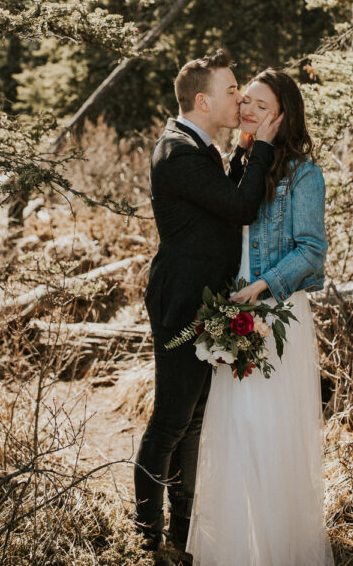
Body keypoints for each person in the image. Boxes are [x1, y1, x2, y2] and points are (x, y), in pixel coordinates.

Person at [134, 50, 281, 563]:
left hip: (201, 300)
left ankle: (181, 535)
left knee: (192, 420)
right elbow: (240, 207)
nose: (239, 97)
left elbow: (220, 202)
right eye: (231, 89)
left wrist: (241, 153)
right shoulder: (178, 152)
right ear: (202, 100)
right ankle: (146, 538)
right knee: (172, 420)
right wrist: (260, 146)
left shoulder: (195, 148)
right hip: (181, 304)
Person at [186, 68, 333, 566]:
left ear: (283, 116)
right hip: (235, 309)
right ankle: (236, 548)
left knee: (267, 429)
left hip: (275, 313)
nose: (247, 111)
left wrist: (262, 287)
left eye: (260, 106)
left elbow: (312, 251)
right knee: (233, 428)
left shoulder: (304, 174)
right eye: (244, 100)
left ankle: (276, 550)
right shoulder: (240, 162)